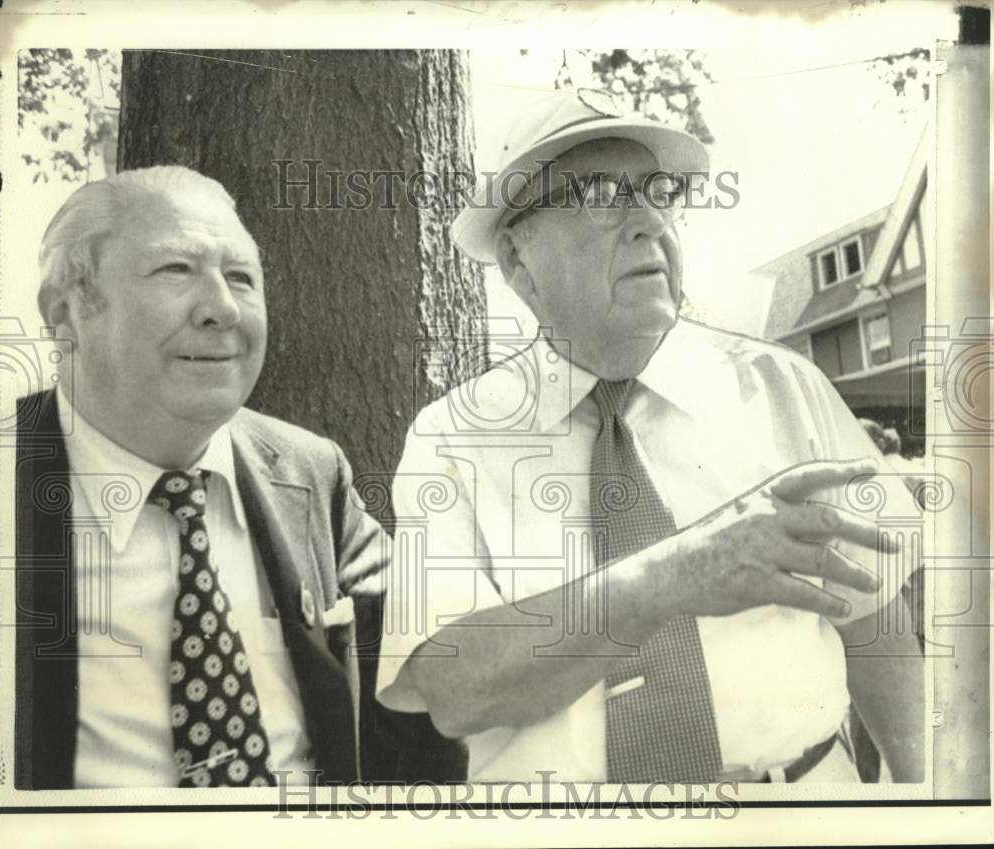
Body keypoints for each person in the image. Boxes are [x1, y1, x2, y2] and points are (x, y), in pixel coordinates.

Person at [376, 89, 924, 784]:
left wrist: (927, 799)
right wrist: (673, 576)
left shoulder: (789, 389)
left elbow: (879, 626)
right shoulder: (451, 439)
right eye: (602, 194)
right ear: (518, 261)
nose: (646, 221)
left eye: (658, 191)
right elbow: (452, 690)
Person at [14, 166, 395, 790]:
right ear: (66, 309)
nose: (222, 307)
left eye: (241, 277)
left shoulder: (309, 471)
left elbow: (425, 661)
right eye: (176, 271)